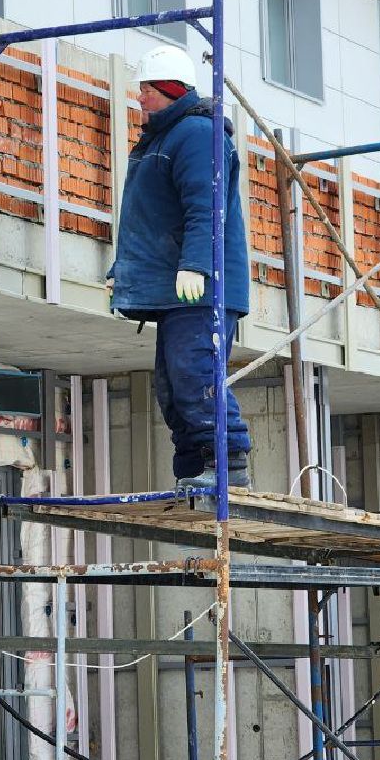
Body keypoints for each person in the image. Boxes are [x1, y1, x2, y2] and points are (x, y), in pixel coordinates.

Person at [107, 44, 251, 489]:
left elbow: (204, 207)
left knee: (196, 373)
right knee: (173, 386)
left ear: (167, 89)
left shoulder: (195, 135)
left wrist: (196, 265)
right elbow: (150, 216)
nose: (139, 98)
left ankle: (228, 466)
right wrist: (126, 270)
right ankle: (195, 467)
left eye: (146, 89)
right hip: (177, 287)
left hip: (199, 285)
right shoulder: (165, 137)